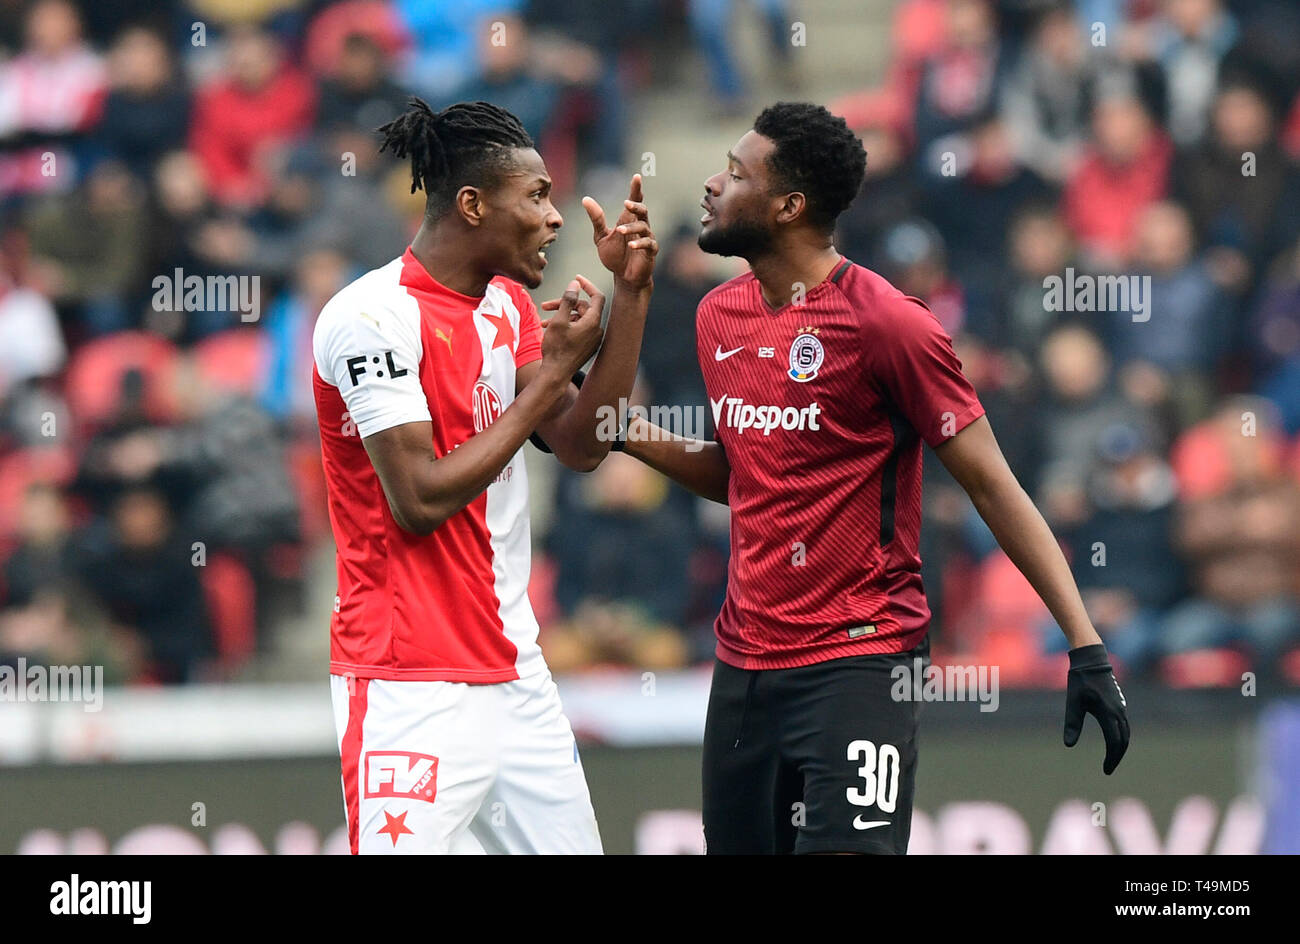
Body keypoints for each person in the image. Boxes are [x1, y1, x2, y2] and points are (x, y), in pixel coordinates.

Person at [620, 102, 1129, 855]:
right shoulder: (717, 316)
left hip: (860, 663)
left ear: (789, 206)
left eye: (734, 173)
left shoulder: (890, 324)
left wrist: (1084, 645)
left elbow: (993, 486)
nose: (711, 186)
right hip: (744, 666)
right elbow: (748, 475)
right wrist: (627, 432)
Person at [312, 98, 657, 854]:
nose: (556, 217)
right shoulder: (369, 317)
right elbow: (419, 499)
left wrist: (630, 296)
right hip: (409, 680)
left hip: (515, 674)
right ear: (472, 204)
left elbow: (580, 443)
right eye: (536, 196)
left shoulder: (506, 307)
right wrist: (550, 377)